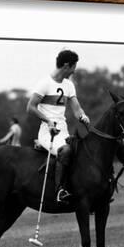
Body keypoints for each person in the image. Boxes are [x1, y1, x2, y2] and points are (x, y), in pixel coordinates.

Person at [26, 49, 90, 202]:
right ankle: (59, 191)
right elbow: (30, 107)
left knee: (82, 151)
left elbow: (76, 108)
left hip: (63, 132)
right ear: (67, 66)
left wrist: (83, 116)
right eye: (74, 67)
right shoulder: (44, 83)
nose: (74, 71)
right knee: (66, 151)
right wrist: (48, 121)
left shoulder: (69, 85)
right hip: (47, 133)